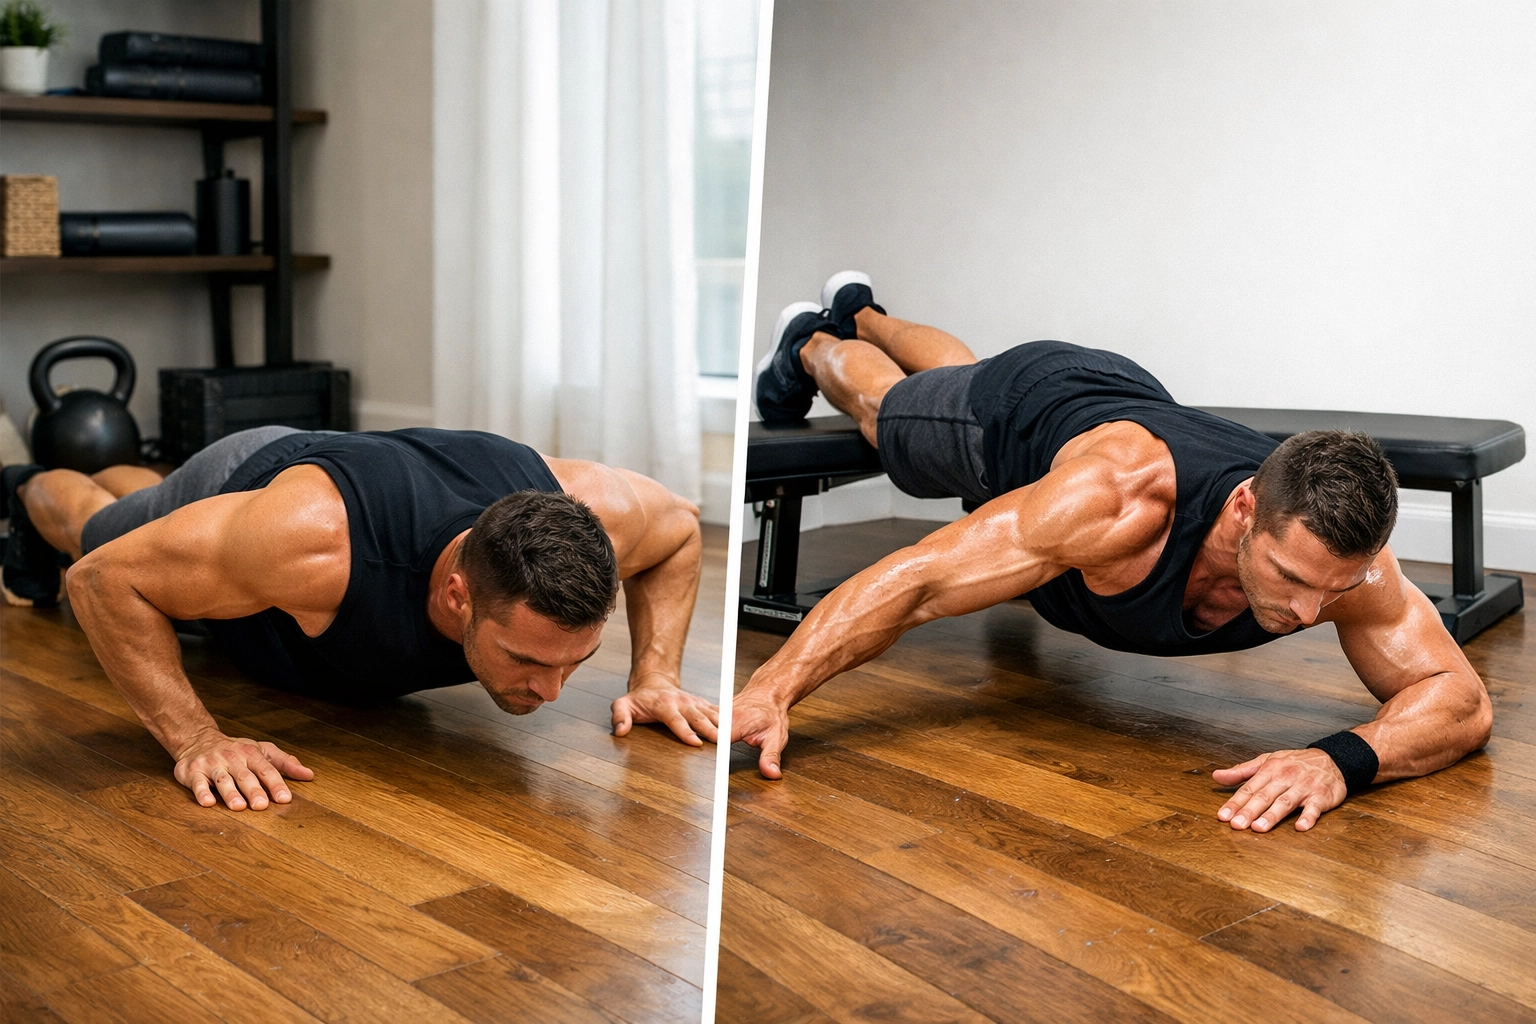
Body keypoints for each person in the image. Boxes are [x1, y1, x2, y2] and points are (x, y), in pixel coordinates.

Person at [734, 271, 1492, 834]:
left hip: (1128, 395)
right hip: (1019, 415)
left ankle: (863, 307)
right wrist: (772, 690)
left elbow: (1460, 701)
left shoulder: (1345, 562)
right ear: (1243, 510)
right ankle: (814, 339)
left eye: (1332, 590)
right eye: (1291, 578)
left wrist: (1339, 760)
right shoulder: (1113, 503)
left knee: (945, 373)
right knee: (888, 410)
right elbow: (919, 583)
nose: (1307, 612)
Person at [3, 426, 718, 811]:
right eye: (528, 659)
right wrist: (195, 738)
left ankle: (153, 493)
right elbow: (100, 583)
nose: (553, 691)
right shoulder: (310, 544)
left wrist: (655, 674)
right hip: (248, 477)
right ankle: (25, 481)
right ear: (458, 595)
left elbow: (683, 531)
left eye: (575, 662)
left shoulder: (598, 511)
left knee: (154, 511)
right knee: (95, 530)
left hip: (302, 500)